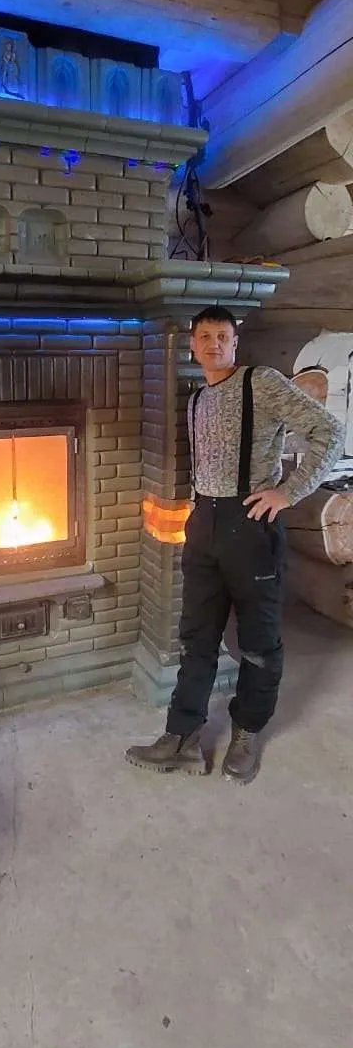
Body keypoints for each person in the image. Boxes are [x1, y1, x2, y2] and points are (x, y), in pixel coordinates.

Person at [127, 305, 345, 785]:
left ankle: (247, 731)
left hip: (250, 525)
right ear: (192, 345)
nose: (213, 345)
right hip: (204, 524)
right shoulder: (197, 398)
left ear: (234, 342)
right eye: (204, 336)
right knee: (197, 636)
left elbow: (328, 431)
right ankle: (182, 735)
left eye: (222, 336)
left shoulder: (260, 382)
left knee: (259, 641)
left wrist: (288, 492)